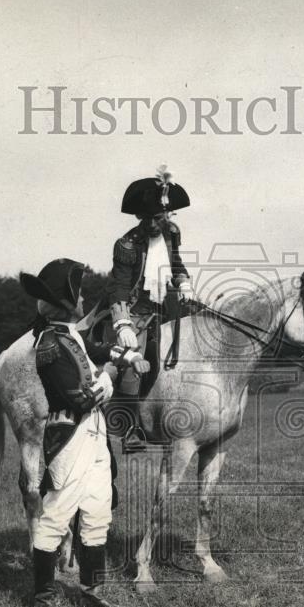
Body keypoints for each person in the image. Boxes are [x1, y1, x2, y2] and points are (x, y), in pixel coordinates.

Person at [22, 258, 149, 607]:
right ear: (65, 301)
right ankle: (43, 598)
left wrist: (129, 356)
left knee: (97, 511)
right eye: (79, 294)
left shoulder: (70, 333)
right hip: (70, 437)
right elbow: (81, 397)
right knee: (56, 514)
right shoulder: (49, 344)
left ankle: (90, 590)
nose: (83, 300)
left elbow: (98, 350)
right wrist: (110, 374)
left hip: (94, 436)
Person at [106, 166, 195, 452]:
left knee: (164, 362)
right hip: (132, 311)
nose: (157, 224)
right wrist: (122, 325)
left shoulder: (171, 234)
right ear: (140, 218)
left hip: (160, 310)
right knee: (136, 363)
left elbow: (175, 263)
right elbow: (119, 286)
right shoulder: (127, 244)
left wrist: (183, 283)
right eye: (151, 219)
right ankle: (129, 428)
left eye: (162, 217)